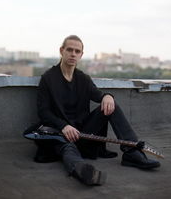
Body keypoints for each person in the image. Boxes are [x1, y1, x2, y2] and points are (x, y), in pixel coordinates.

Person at [35, 35, 160, 186]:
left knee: (111, 105)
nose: (73, 54)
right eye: (69, 50)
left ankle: (132, 152)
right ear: (62, 51)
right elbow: (44, 112)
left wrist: (107, 96)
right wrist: (63, 126)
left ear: (81, 55)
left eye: (77, 51)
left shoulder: (83, 78)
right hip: (61, 134)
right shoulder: (48, 78)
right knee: (68, 149)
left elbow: (98, 95)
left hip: (84, 133)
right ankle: (83, 170)